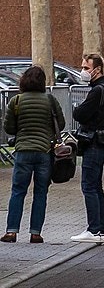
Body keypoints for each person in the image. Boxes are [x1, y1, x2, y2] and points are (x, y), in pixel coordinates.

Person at [2, 65, 65, 245]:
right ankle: (35, 233)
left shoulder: (16, 101)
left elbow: (9, 128)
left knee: (18, 191)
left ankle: (11, 231)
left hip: (23, 152)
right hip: (44, 152)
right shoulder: (50, 100)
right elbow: (60, 123)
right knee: (40, 192)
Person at [71, 52, 104, 244]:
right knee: (97, 187)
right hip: (103, 143)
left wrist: (76, 109)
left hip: (94, 143)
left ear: (97, 70)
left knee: (89, 186)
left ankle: (94, 229)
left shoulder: (97, 91)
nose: (83, 71)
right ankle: (101, 230)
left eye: (86, 68)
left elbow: (80, 114)